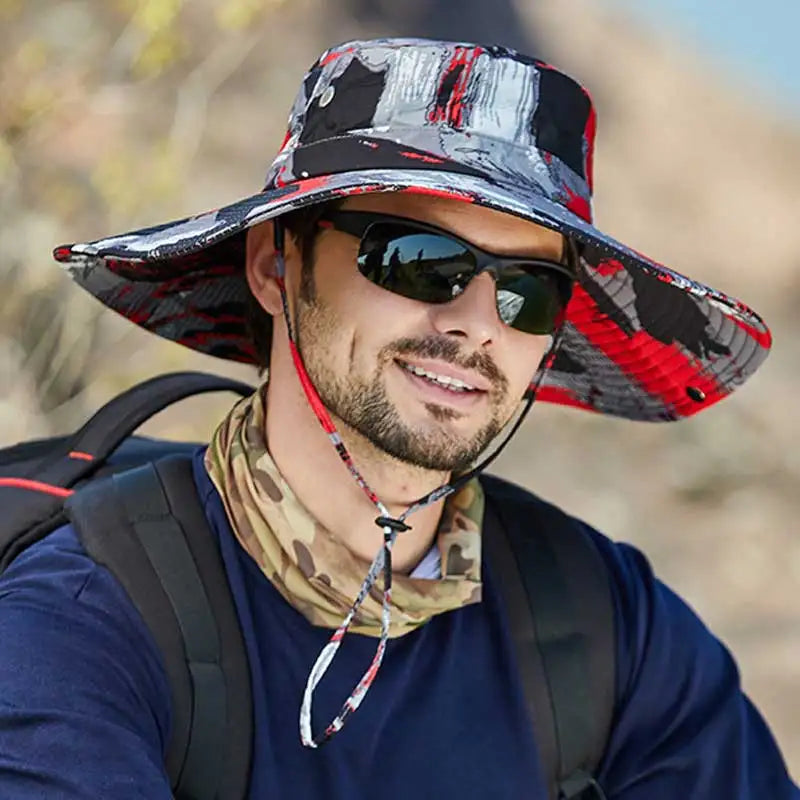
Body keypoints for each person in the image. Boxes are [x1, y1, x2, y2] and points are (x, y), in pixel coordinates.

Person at [0, 37, 796, 800]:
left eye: (529, 292)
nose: (478, 323)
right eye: (420, 259)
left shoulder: (611, 629)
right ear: (277, 264)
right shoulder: (80, 624)